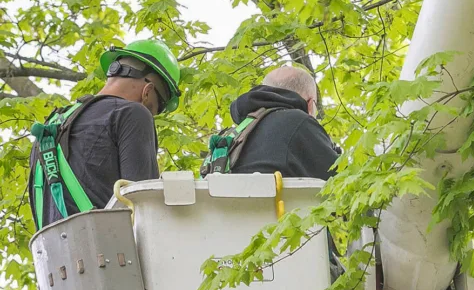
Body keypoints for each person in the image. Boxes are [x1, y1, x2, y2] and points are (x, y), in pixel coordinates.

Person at [27, 39, 181, 229]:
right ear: (147, 92)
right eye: (152, 109)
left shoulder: (50, 128)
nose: (149, 114)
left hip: (54, 255)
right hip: (106, 253)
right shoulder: (132, 114)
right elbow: (144, 205)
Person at [201, 65, 339, 179]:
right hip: (277, 211)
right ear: (310, 103)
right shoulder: (298, 122)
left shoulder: (234, 136)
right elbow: (340, 181)